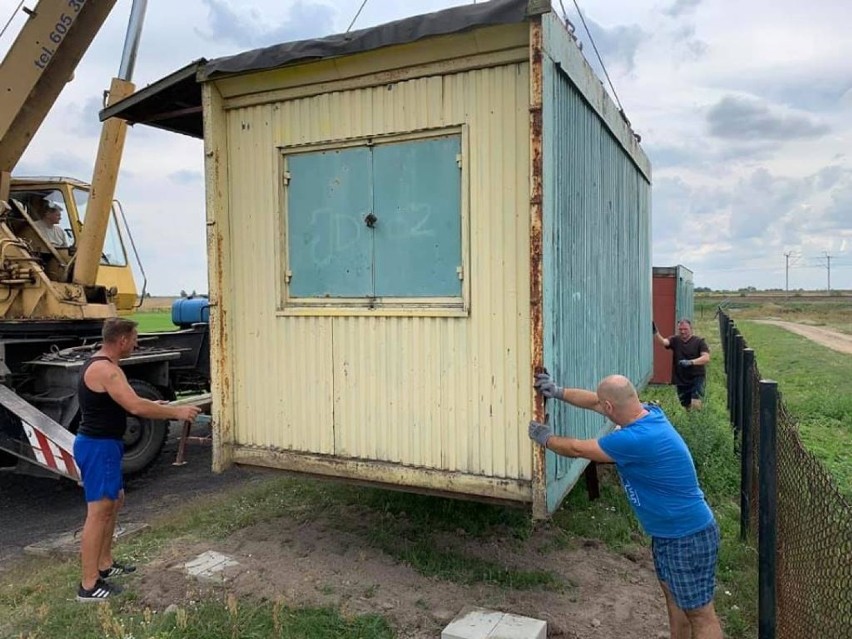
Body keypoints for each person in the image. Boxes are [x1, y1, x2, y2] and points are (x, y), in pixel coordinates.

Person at [529, 372, 723, 639]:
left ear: (611, 407)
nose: (600, 407)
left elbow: (577, 449)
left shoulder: (635, 439)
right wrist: (557, 391)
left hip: (687, 536)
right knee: (676, 603)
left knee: (700, 614)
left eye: (603, 405)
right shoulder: (648, 413)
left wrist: (545, 438)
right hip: (668, 534)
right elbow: (594, 402)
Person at [74, 317, 201, 602]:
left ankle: (104, 564)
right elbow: (133, 405)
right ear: (121, 340)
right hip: (98, 447)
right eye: (134, 338)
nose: (137, 343)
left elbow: (121, 402)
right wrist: (177, 414)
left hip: (105, 445)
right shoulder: (107, 370)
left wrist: (152, 404)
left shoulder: (104, 363)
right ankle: (88, 585)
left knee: (115, 501)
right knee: (99, 512)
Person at [654, 319, 710, 410]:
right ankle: (691, 421)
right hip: (681, 379)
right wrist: (655, 332)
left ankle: (697, 421)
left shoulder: (699, 342)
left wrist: (691, 362)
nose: (683, 332)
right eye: (680, 329)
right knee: (686, 405)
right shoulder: (675, 340)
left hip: (697, 377)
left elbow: (706, 358)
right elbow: (663, 342)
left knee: (696, 402)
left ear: (691, 329)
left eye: (685, 329)